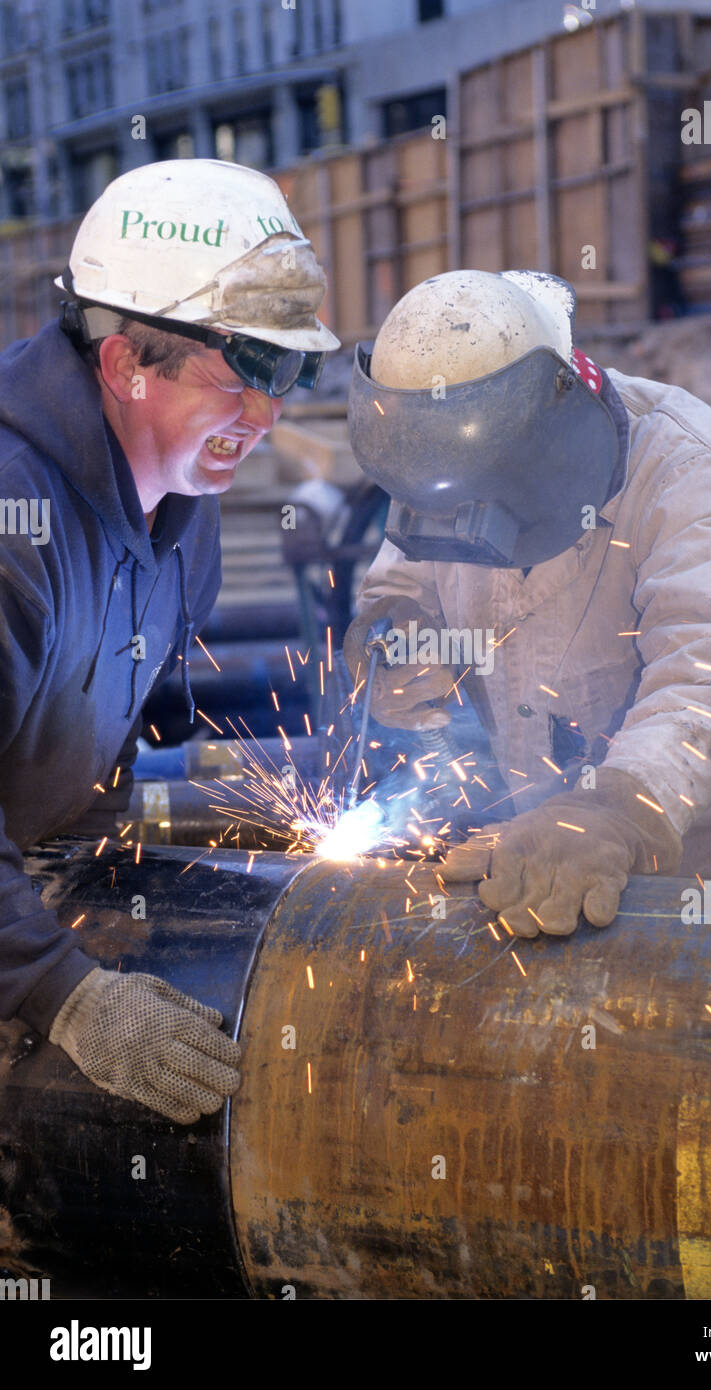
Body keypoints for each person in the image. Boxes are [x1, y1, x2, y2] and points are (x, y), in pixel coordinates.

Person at [344, 269, 711, 937]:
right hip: (566, 866)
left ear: (556, 429)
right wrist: (393, 637)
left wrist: (618, 812)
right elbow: (401, 584)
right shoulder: (444, 456)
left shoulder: (692, 466)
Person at [0, 158, 339, 1122]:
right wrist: (61, 994)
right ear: (124, 366)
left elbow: (92, 749)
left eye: (293, 369)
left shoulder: (185, 514)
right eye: (249, 371)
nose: (271, 416)